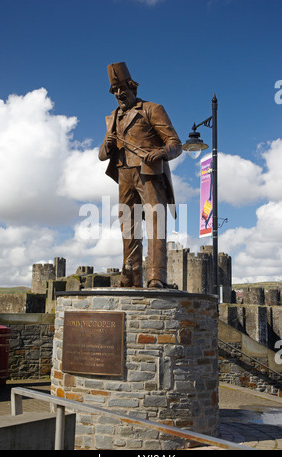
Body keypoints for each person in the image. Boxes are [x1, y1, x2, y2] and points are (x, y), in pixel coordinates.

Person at [99, 62, 182, 288]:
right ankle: (132, 275)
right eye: (115, 91)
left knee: (156, 224)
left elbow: (175, 143)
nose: (119, 94)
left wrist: (161, 153)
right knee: (128, 225)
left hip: (149, 173)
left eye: (122, 90)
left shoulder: (152, 109)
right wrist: (107, 145)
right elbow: (101, 155)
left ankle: (157, 276)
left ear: (133, 88)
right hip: (124, 175)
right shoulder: (112, 117)